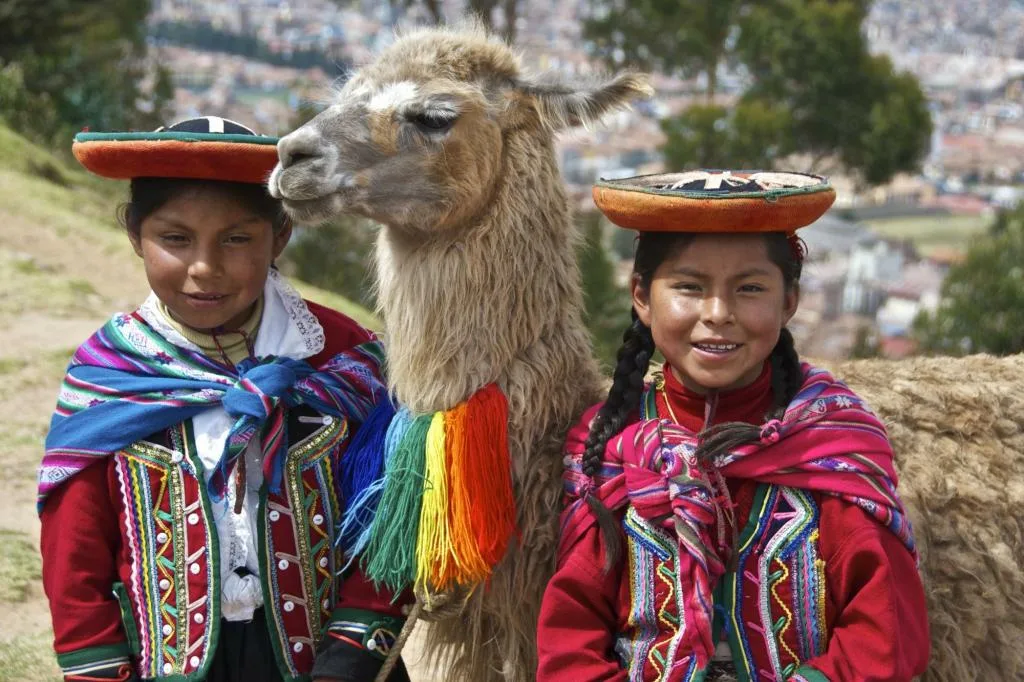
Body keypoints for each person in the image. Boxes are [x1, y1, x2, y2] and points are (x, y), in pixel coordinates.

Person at [38, 117, 411, 682]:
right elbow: (75, 548)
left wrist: (354, 647)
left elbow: (391, 507)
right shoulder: (111, 372)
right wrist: (95, 664)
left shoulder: (344, 356)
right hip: (164, 663)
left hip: (331, 660)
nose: (204, 268)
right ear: (136, 235)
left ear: (279, 235)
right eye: (175, 238)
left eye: (237, 239)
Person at [536, 170, 930, 681]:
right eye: (688, 287)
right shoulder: (611, 448)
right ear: (641, 295)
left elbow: (887, 632)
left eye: (749, 288)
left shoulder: (830, 441)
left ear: (788, 300)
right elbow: (571, 635)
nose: (718, 313)